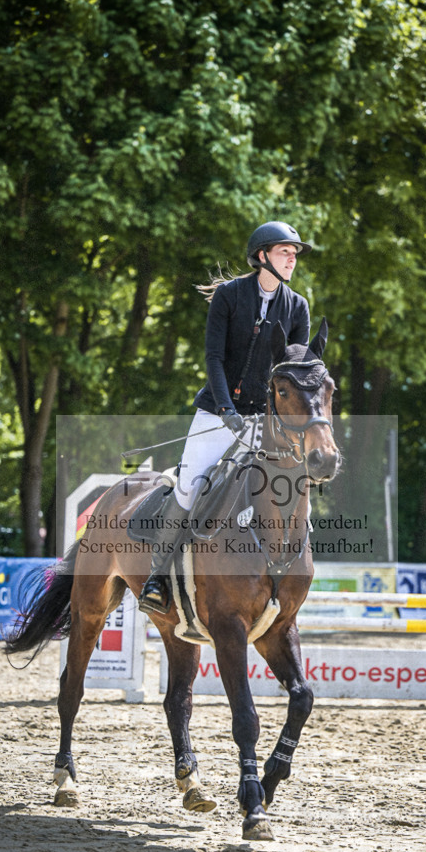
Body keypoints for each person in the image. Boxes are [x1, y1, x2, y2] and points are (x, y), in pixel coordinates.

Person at [138, 220, 312, 614]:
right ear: (262, 255)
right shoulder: (230, 296)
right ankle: (157, 577)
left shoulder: (297, 306)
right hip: (217, 414)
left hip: (265, 422)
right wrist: (225, 410)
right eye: (285, 252)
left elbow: (294, 372)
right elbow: (214, 358)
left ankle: (288, 576)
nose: (292, 259)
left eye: (294, 253)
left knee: (290, 485)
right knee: (189, 485)